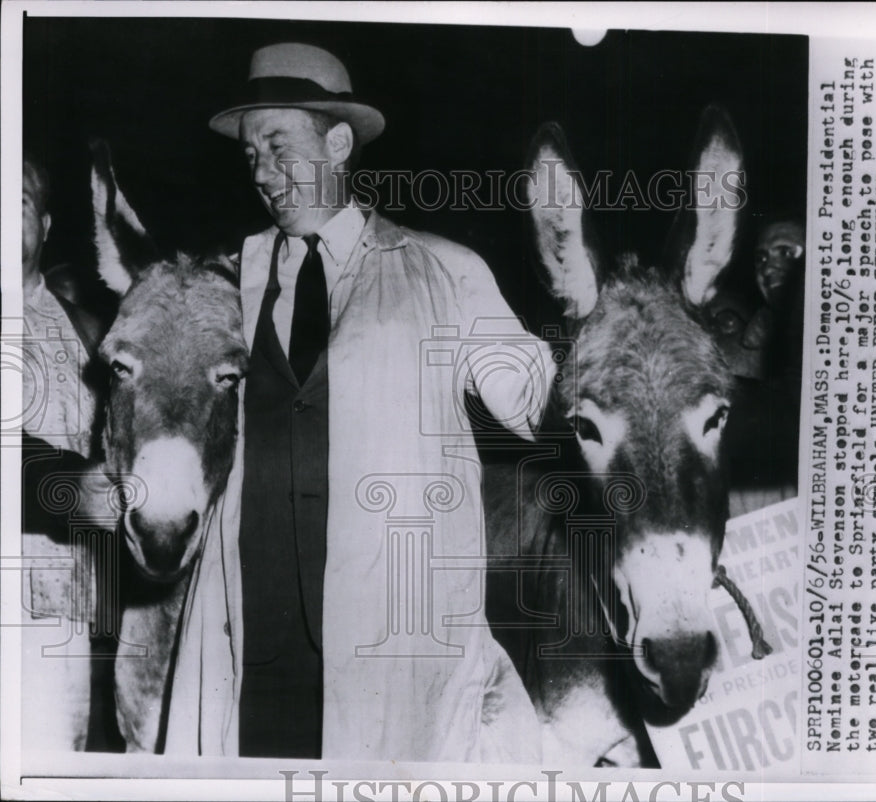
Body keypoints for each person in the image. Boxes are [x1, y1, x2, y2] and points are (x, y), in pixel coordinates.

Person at [164, 42, 551, 762]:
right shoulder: (224, 283)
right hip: (256, 639)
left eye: (278, 145)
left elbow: (532, 392)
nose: (262, 173)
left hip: (387, 644)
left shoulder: (444, 271)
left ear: (338, 143)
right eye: (250, 156)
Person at [20, 156, 105, 751]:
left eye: (20, 200)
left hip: (66, 610)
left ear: (45, 224)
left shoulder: (90, 332)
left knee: (54, 757)